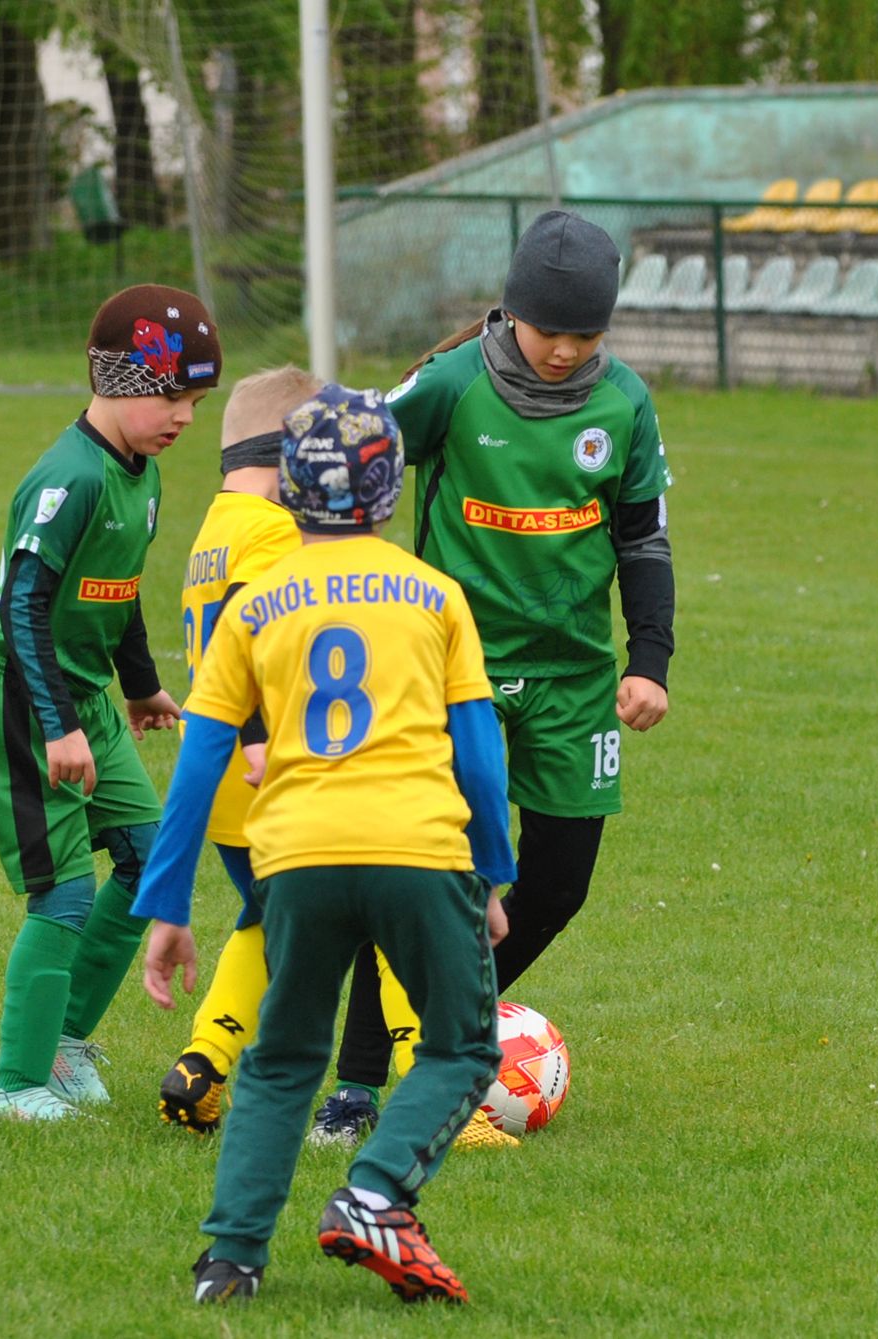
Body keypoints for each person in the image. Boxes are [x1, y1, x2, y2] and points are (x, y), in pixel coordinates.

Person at [135, 384, 516, 1305]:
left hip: (297, 856)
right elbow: (478, 753)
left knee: (280, 1059)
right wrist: (493, 873)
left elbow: (199, 764)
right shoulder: (435, 596)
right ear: (388, 495)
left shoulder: (257, 606)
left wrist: (167, 905)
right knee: (462, 1048)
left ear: (285, 491)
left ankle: (230, 1259)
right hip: (419, 851)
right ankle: (376, 1191)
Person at [314, 207, 675, 1142]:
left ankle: (437, 1031)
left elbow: (644, 538)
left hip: (573, 680)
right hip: (448, 673)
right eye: (548, 328)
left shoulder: (625, 402)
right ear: (511, 311)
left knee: (557, 886)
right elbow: (352, 461)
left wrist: (650, 661)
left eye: (585, 333)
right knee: (413, 875)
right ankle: (356, 1085)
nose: (564, 350)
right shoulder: (452, 383)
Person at [0, 284, 220, 1122]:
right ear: (116, 380)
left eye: (196, 401)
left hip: (85, 696)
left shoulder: (137, 475)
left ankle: (65, 1038)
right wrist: (59, 725)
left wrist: (139, 686)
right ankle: (15, 1084)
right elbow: (26, 606)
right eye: (171, 396)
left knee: (149, 855)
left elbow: (119, 592)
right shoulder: (66, 478)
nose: (184, 416)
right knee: (65, 892)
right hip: (20, 695)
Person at [155, 364, 317, 1133]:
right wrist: (260, 736)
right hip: (272, 770)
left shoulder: (215, 526)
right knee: (387, 922)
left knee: (263, 920)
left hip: (219, 788)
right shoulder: (278, 531)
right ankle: (448, 1092)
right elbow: (253, 635)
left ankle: (202, 1063)